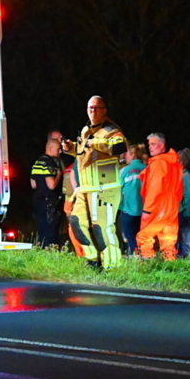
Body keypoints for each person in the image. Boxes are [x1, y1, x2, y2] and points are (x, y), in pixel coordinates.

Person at [68, 96, 127, 270]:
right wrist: (70, 148)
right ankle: (93, 258)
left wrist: (95, 143)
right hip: (85, 188)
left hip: (104, 188)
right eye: (90, 108)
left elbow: (120, 147)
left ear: (104, 110)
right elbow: (83, 153)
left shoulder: (111, 129)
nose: (92, 111)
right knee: (76, 222)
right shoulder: (86, 129)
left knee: (102, 227)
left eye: (96, 108)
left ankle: (112, 266)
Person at [136, 133, 183, 260]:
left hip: (157, 206)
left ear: (162, 146)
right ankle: (170, 265)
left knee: (144, 236)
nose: (150, 147)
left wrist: (147, 209)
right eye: (149, 145)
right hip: (171, 206)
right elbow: (179, 186)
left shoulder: (158, 163)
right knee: (168, 239)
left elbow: (155, 188)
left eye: (153, 144)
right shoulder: (174, 163)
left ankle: (147, 262)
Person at [29, 137, 63, 247]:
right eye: (58, 149)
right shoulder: (50, 163)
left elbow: (33, 184)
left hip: (38, 200)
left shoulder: (37, 162)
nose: (60, 152)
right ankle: (50, 250)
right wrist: (59, 174)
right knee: (50, 230)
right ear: (51, 148)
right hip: (49, 201)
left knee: (41, 227)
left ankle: (41, 247)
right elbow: (52, 185)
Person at [118, 144, 148, 255]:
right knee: (143, 236)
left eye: (126, 153)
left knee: (129, 236)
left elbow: (118, 190)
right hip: (146, 211)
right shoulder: (147, 169)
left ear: (132, 154)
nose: (125, 156)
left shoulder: (124, 171)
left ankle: (133, 256)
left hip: (128, 209)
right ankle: (145, 256)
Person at [177, 148, 190, 258]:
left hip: (184, 215)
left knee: (186, 242)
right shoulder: (180, 175)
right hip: (180, 214)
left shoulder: (186, 177)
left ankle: (189, 264)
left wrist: (185, 214)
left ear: (181, 162)